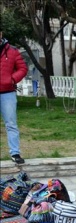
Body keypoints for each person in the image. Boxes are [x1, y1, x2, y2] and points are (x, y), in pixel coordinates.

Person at [0, 30, 28, 164]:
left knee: (11, 124)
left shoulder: (12, 51)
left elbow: (23, 68)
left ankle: (15, 153)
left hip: (7, 93)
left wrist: (12, 79)